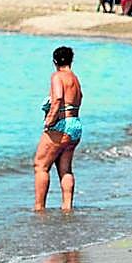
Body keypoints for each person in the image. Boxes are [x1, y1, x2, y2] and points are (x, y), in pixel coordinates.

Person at [34, 45, 83, 212]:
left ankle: (39, 209)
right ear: (71, 60)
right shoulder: (75, 79)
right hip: (75, 125)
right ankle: (67, 207)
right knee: (65, 169)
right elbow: (78, 99)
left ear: (54, 61)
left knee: (40, 165)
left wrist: (49, 121)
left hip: (61, 124)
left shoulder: (57, 76)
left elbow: (58, 98)